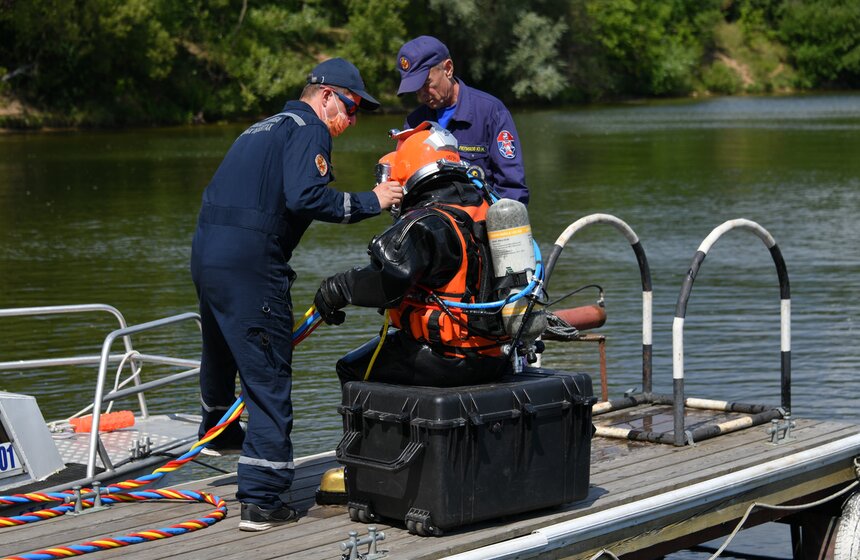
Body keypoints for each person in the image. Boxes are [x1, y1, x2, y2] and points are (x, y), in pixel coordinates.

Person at [190, 58, 403, 532]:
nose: (350, 120)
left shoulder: (260, 127)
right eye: (349, 108)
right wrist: (375, 200)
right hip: (251, 263)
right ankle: (263, 501)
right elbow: (305, 196)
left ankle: (217, 427)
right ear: (325, 95)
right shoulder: (309, 128)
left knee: (221, 348)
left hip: (208, 255)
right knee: (268, 376)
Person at [313, 122, 513, 387]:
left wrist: (337, 289)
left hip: (450, 357)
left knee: (351, 369)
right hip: (494, 356)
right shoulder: (482, 205)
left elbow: (388, 282)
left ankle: (369, 430)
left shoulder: (425, 222)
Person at [395, 35, 529, 205]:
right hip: (434, 223)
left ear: (448, 69)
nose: (422, 95)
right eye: (415, 89)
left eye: (426, 83)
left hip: (484, 224)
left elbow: (512, 188)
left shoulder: (491, 112)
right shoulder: (414, 122)